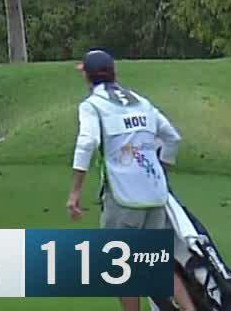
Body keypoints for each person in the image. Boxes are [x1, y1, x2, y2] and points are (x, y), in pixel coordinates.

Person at [67, 50, 195, 311]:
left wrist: (75, 192)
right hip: (155, 196)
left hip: (123, 198)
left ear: (88, 77)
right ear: (114, 73)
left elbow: (87, 142)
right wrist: (162, 171)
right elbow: (172, 138)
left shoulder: (93, 105)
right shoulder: (142, 102)